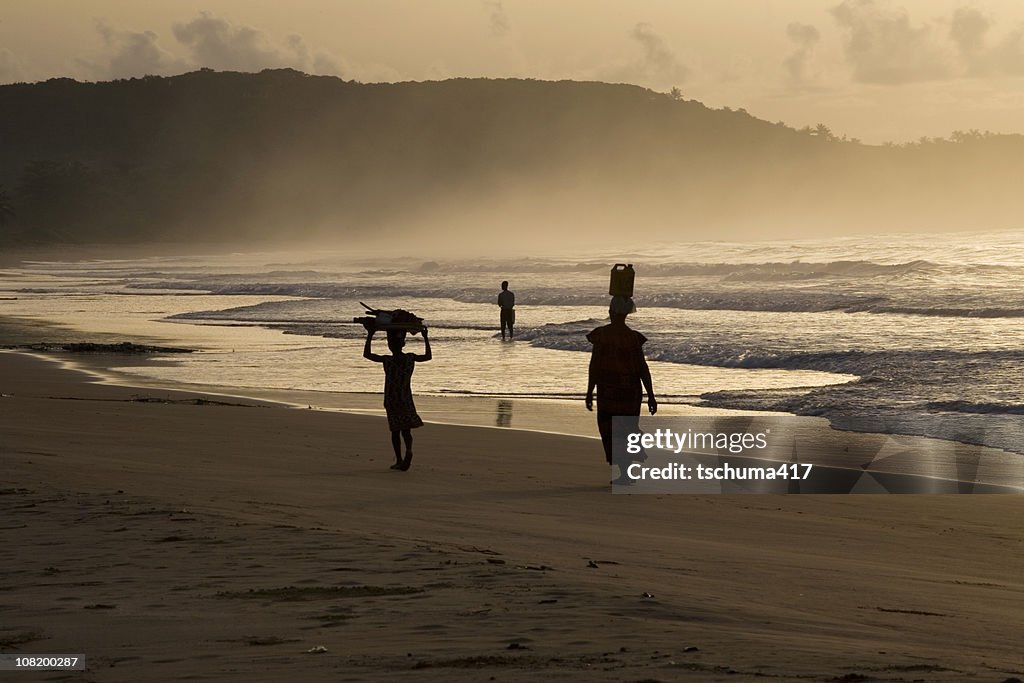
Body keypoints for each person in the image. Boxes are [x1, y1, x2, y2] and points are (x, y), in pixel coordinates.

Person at [585, 297, 657, 482]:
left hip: (608, 391)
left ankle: (625, 473)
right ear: (626, 315)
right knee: (628, 429)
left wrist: (589, 391)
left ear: (610, 313)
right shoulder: (633, 337)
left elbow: (595, 365)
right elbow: (642, 367)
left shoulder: (601, 335)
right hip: (631, 392)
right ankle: (627, 473)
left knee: (611, 431)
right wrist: (650, 395)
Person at [364, 327, 432, 471]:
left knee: (395, 431)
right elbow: (427, 356)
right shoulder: (409, 358)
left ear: (390, 345)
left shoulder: (387, 360)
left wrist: (370, 334)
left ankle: (399, 459)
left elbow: (367, 354)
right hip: (406, 398)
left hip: (392, 399)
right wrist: (425, 337)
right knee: (406, 430)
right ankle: (409, 451)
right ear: (403, 344)